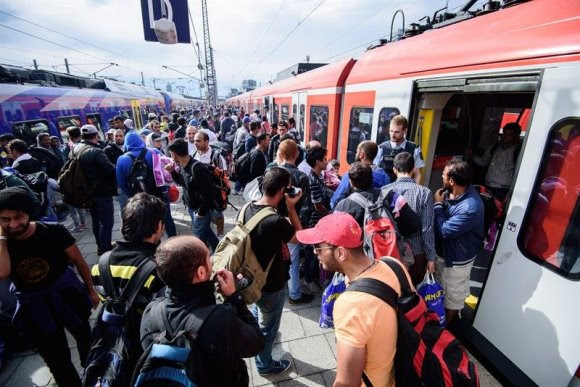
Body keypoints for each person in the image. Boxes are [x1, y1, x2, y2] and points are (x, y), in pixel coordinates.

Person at [296, 212, 411, 387]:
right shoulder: (393, 265)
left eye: (318, 248)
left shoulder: (351, 305)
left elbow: (347, 382)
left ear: (341, 253)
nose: (314, 252)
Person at [0, 187, 99, 387]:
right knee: (57, 359)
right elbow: (3, 272)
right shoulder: (3, 244)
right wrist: (1, 239)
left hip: (66, 294)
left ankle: (92, 375)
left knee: (85, 339)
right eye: (5, 219)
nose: (13, 224)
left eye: (18, 217)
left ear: (28, 212)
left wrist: (91, 290)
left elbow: (79, 262)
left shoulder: (53, 231)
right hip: (34, 305)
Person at [140, 235, 264, 385]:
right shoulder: (220, 319)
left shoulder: (151, 311)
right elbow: (256, 343)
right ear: (201, 272)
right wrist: (233, 297)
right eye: (208, 257)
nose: (212, 262)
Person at [91, 193, 166, 366]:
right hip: (145, 346)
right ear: (159, 226)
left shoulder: (100, 265)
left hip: (113, 343)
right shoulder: (158, 271)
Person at [242, 167, 303, 375]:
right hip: (272, 284)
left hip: (252, 280)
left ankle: (260, 330)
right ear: (282, 192)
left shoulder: (248, 208)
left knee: (260, 312)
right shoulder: (276, 221)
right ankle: (265, 365)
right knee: (268, 329)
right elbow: (300, 236)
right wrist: (292, 208)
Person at [433, 160, 484, 325]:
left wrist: (438, 206)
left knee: (452, 298)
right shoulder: (449, 192)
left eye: (444, 174)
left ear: (452, 181)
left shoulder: (471, 207)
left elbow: (444, 231)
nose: (441, 175)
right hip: (444, 255)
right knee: (441, 289)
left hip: (456, 261)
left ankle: (445, 328)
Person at [382, 152, 436, 283]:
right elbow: (427, 228)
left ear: (394, 170)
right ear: (413, 170)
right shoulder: (425, 193)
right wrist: (431, 258)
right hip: (416, 254)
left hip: (391, 253)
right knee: (413, 291)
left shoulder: (384, 191)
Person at [117, 132, 177, 237]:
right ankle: (173, 240)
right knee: (166, 218)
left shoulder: (122, 159)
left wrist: (132, 196)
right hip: (159, 193)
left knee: (146, 222)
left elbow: (121, 183)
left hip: (140, 197)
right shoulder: (153, 152)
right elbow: (164, 171)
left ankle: (153, 246)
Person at [276, 139, 313, 304]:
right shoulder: (301, 176)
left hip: (273, 220)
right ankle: (295, 294)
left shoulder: (272, 172)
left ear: (280, 153)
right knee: (293, 260)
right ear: (297, 154)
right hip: (292, 223)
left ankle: (278, 286)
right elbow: (306, 207)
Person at [166, 138, 218, 250]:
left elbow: (208, 194)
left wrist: (201, 213)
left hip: (201, 210)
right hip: (192, 208)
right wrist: (172, 172)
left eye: (171, 154)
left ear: (174, 154)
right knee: (207, 232)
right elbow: (183, 183)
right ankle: (218, 247)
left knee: (196, 242)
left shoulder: (197, 168)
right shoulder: (182, 166)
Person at [75, 125, 117, 255]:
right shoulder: (96, 151)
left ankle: (100, 245)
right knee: (107, 221)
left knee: (95, 220)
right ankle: (105, 248)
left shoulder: (76, 149)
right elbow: (111, 170)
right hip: (101, 191)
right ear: (96, 136)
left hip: (86, 192)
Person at [467, 122, 522, 201]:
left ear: (516, 136)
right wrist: (472, 155)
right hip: (488, 186)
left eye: (510, 134)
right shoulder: (494, 147)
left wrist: (510, 193)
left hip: (503, 190)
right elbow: (483, 162)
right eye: (505, 133)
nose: (506, 137)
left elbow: (518, 175)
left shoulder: (517, 151)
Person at [331, 140, 390, 208]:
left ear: (361, 155)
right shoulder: (385, 176)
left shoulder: (351, 173)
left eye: (357, 152)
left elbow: (337, 199)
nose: (356, 154)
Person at [192, 131, 227, 238]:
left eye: (198, 141)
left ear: (206, 141)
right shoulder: (193, 155)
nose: (195, 143)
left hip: (215, 194)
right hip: (200, 194)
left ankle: (220, 234)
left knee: (218, 215)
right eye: (194, 141)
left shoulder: (216, 156)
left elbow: (224, 175)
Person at [305, 146, 331, 293]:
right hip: (315, 222)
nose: (327, 162)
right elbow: (317, 205)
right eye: (324, 160)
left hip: (318, 221)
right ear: (317, 162)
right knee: (312, 253)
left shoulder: (318, 176)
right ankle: (310, 280)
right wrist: (329, 214)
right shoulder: (313, 180)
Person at [374, 115, 425, 184]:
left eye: (397, 132)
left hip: (406, 189)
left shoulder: (414, 149)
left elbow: (417, 173)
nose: (392, 135)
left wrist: (414, 190)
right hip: (385, 190)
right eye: (391, 131)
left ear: (405, 131)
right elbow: (375, 171)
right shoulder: (381, 148)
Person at [334, 162, 381, 227]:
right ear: (372, 179)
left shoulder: (343, 205)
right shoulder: (388, 195)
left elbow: (337, 227)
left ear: (351, 182)